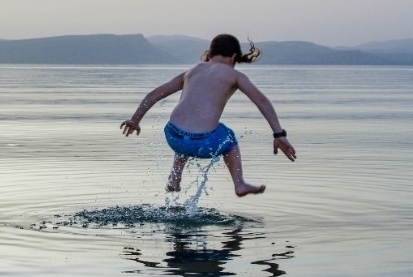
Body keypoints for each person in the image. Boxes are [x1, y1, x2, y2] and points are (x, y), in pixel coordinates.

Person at [120, 34, 297, 197]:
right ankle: (239, 183)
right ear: (234, 57)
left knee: (186, 131)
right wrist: (278, 134)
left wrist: (135, 120)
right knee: (228, 136)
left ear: (209, 54)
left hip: (173, 136)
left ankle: (174, 179)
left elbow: (156, 93)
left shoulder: (192, 71)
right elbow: (262, 101)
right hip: (202, 141)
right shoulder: (235, 75)